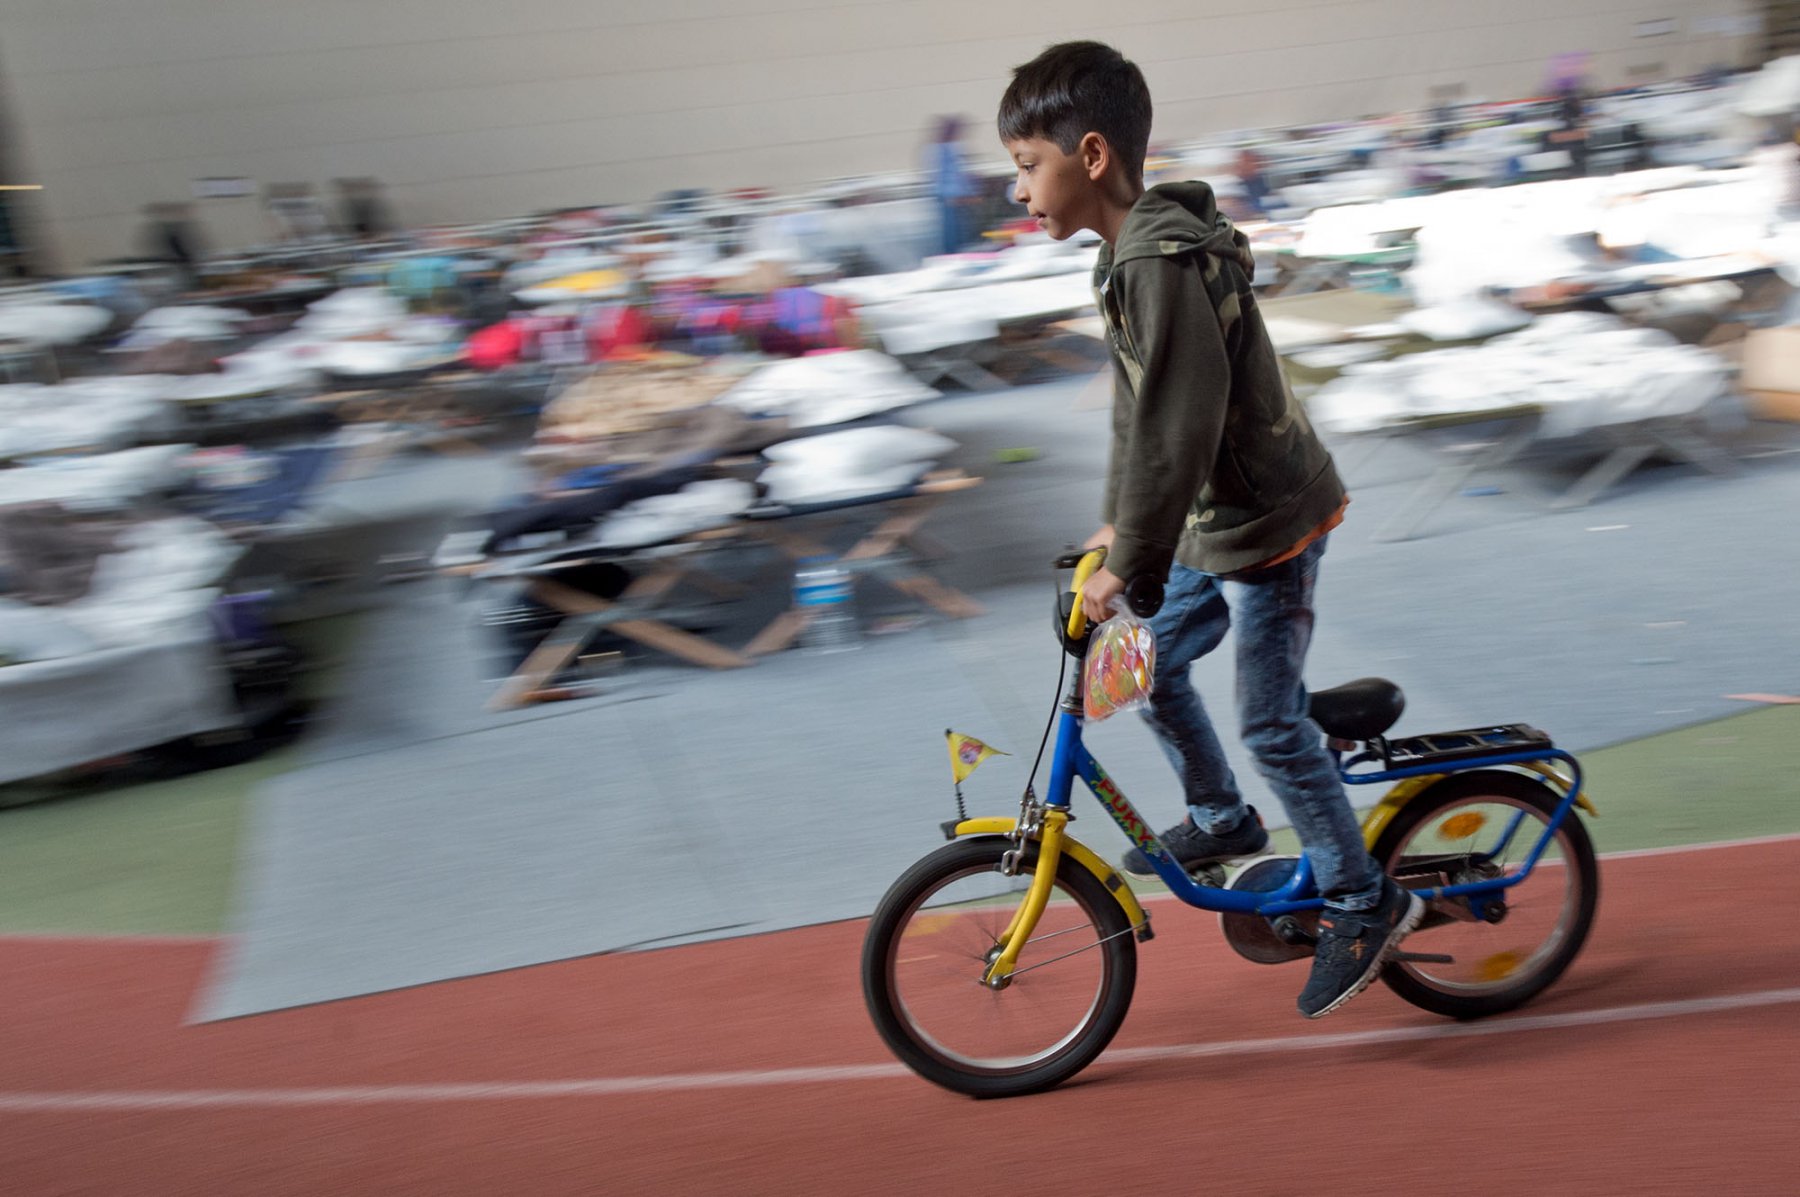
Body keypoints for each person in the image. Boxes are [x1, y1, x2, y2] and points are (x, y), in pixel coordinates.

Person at [997, 40, 1422, 1019]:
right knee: (1140, 662)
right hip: (1207, 519)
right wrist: (1115, 533)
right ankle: (1222, 817)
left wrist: (1129, 560)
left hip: (1267, 522)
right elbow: (1136, 418)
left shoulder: (1157, 259)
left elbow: (1182, 424)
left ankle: (1364, 895)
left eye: (1027, 166)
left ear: (1090, 154)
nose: (1019, 191)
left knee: (1272, 723)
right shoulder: (1123, 256)